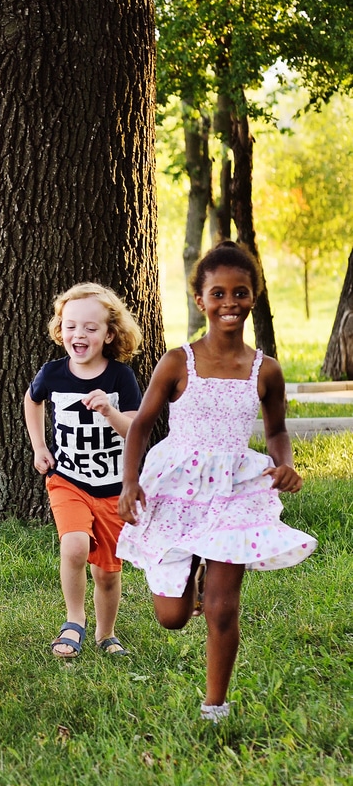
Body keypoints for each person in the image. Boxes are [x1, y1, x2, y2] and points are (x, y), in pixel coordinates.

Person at [117, 242, 317, 722]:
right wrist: (130, 482)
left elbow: (276, 430)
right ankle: (193, 571)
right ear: (201, 300)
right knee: (173, 617)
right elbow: (142, 423)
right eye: (219, 293)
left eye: (241, 292)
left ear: (254, 297)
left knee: (224, 608)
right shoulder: (177, 361)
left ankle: (215, 705)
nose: (230, 302)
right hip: (177, 484)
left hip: (235, 490)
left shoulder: (264, 370)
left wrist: (284, 462)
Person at [23, 283, 143, 658]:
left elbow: (136, 430)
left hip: (112, 487)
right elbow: (32, 400)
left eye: (91, 328)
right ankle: (73, 620)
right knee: (73, 545)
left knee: (107, 572)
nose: (80, 334)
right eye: (71, 326)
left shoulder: (120, 378)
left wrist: (109, 410)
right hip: (68, 480)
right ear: (61, 329)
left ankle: (106, 634)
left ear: (109, 334)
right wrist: (40, 447)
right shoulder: (53, 373)